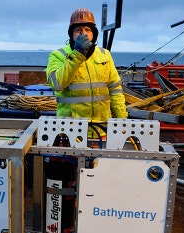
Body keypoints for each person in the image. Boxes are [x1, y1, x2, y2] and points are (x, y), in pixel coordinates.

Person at [46, 8, 128, 137]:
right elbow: (57, 84)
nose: (83, 34)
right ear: (71, 34)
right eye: (79, 30)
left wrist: (122, 122)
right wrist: (78, 54)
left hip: (101, 130)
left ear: (94, 34)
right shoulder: (58, 55)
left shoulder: (104, 54)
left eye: (88, 30)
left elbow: (115, 90)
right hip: (70, 132)